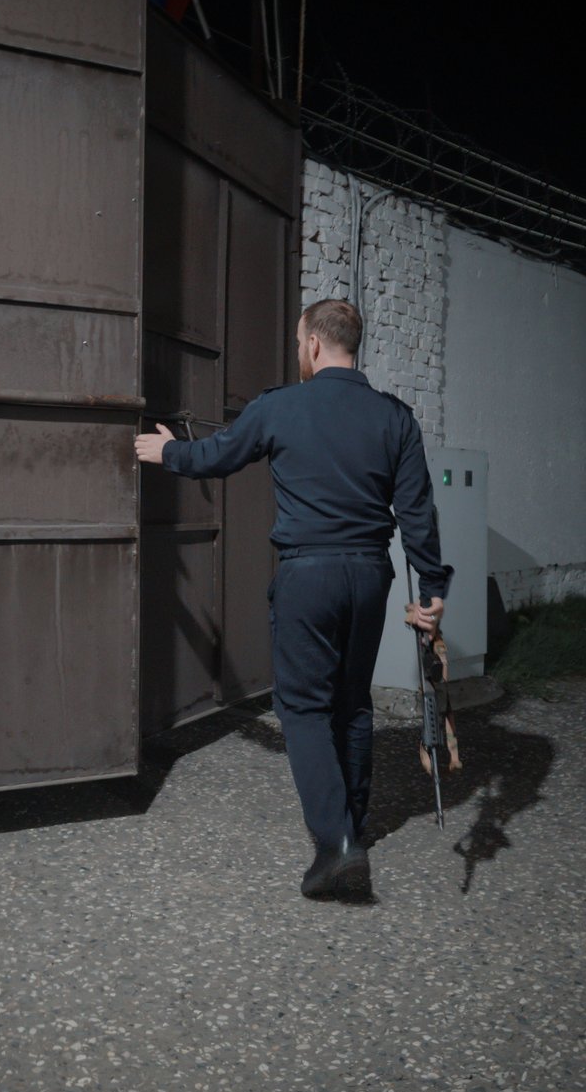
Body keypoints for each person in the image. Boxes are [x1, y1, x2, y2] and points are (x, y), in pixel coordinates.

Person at [134, 298, 451, 901]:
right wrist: (432, 590)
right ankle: (353, 828)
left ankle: (335, 846)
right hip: (369, 576)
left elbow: (218, 456)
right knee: (353, 706)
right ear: (353, 345)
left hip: (310, 577)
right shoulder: (396, 419)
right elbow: (417, 515)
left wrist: (167, 451)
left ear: (311, 343)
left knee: (304, 709)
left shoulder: (279, 406)